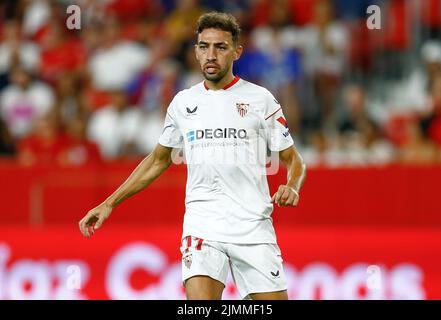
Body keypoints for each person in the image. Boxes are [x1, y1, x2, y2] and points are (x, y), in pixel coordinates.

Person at [79, 12, 306, 300]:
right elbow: (158, 159)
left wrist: (292, 185)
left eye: (220, 47)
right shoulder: (183, 103)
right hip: (202, 226)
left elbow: (294, 159)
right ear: (196, 51)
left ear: (237, 51)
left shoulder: (260, 100)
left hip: (253, 227)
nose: (211, 55)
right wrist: (109, 203)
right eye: (203, 46)